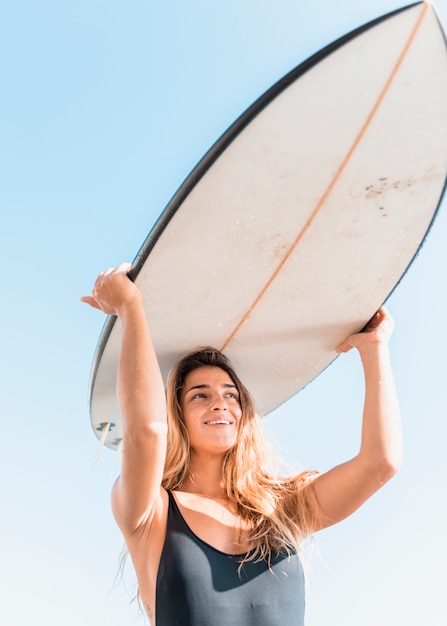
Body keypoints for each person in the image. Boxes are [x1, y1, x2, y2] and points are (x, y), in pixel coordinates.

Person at [82, 262, 403, 626]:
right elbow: (146, 431)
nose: (219, 403)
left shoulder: (283, 511)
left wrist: (374, 348)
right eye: (199, 396)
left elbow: (381, 463)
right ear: (179, 418)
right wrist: (130, 306)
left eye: (230, 394)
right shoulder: (151, 511)